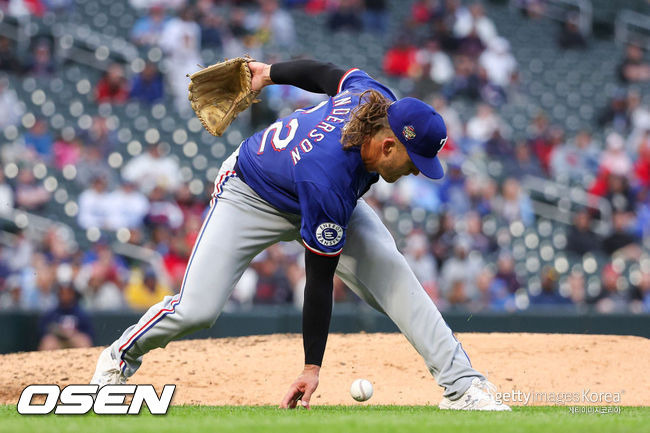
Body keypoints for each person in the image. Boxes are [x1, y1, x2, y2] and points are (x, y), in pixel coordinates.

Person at [91, 58, 510, 411]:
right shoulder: (329, 179)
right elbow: (319, 280)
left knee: (395, 276)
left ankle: (462, 386)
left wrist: (268, 72)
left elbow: (325, 73)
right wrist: (312, 367)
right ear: (387, 145)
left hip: (316, 189)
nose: (416, 171)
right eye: (414, 161)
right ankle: (118, 358)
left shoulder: (374, 98)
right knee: (197, 309)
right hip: (251, 192)